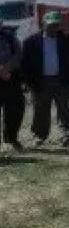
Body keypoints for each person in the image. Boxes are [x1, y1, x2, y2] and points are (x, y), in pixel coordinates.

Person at [22, 11, 69, 147]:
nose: (54, 28)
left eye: (56, 25)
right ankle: (39, 135)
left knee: (63, 109)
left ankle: (65, 135)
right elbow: (25, 64)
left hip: (62, 81)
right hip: (41, 82)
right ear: (43, 24)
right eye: (51, 25)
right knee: (40, 110)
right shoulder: (30, 42)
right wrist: (27, 82)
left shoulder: (67, 40)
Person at [0, 22, 25, 152]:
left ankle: (11, 138)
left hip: (11, 79)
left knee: (15, 110)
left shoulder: (10, 37)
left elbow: (19, 54)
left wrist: (8, 67)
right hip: (3, 74)